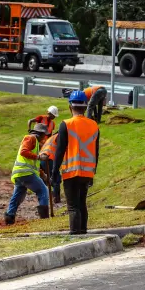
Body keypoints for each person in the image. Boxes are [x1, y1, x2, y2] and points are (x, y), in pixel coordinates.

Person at [52, 91, 99, 234]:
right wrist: (92, 172)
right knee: (82, 203)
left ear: (70, 107)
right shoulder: (94, 125)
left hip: (71, 172)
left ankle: (74, 234)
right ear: (85, 107)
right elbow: (96, 151)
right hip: (87, 172)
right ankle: (83, 231)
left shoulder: (66, 124)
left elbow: (59, 151)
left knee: (73, 206)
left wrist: (55, 172)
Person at [4, 123, 51, 224]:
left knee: (17, 196)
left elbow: (33, 165)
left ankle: (9, 217)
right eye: (44, 135)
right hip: (26, 173)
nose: (44, 137)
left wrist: (43, 175)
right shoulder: (31, 138)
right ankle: (45, 219)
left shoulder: (35, 144)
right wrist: (39, 157)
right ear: (40, 134)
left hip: (19, 175)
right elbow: (23, 151)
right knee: (43, 190)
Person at [39, 132, 61, 204]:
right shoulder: (59, 136)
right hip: (49, 158)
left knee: (47, 179)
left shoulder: (51, 138)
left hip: (42, 159)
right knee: (56, 178)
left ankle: (47, 196)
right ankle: (56, 198)